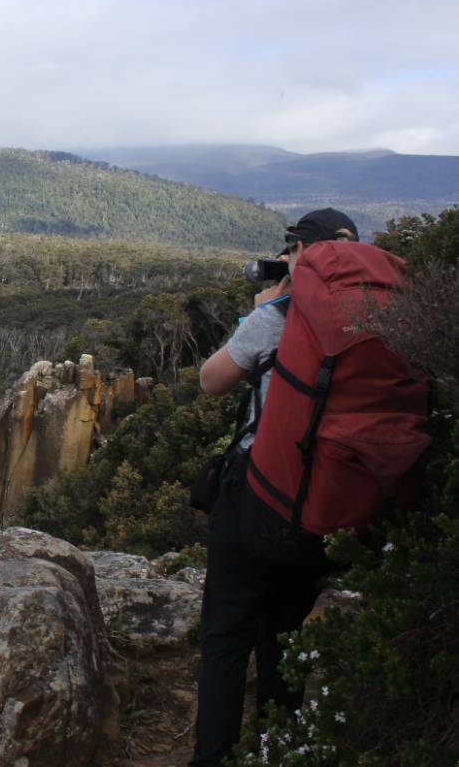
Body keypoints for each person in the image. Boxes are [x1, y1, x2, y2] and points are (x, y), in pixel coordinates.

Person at [189, 208, 360, 767]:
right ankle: (277, 750)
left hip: (258, 501)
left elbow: (211, 381)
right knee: (284, 634)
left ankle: (213, 757)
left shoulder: (279, 315)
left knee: (226, 635)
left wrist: (262, 313)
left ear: (300, 253)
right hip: (329, 506)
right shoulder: (386, 315)